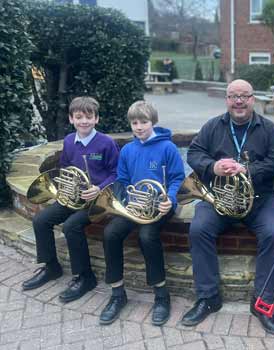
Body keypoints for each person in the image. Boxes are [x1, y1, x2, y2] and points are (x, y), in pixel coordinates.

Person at [182, 79, 274, 334]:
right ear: (227, 99)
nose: (238, 101)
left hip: (259, 200)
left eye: (244, 96)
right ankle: (208, 298)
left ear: (253, 99)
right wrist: (212, 166)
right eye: (233, 96)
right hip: (219, 198)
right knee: (199, 229)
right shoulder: (212, 126)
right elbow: (193, 154)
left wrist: (247, 170)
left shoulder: (268, 128)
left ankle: (262, 301)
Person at [22, 96, 119, 303]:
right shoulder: (68, 141)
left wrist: (99, 188)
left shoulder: (106, 143)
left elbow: (116, 173)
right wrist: (66, 188)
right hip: (74, 197)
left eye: (89, 117)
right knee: (41, 220)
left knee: (71, 226)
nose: (84, 121)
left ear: (96, 119)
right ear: (71, 119)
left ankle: (85, 277)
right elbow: (64, 168)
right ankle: (51, 267)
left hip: (97, 201)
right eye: (79, 117)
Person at [99, 101, 185, 326]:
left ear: (153, 122)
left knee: (147, 236)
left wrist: (170, 199)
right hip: (135, 204)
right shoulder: (128, 149)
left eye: (143, 122)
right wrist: (127, 203)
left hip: (161, 204)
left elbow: (177, 178)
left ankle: (161, 295)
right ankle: (117, 293)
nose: (138, 127)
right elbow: (123, 180)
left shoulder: (168, 147)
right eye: (134, 122)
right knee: (110, 233)